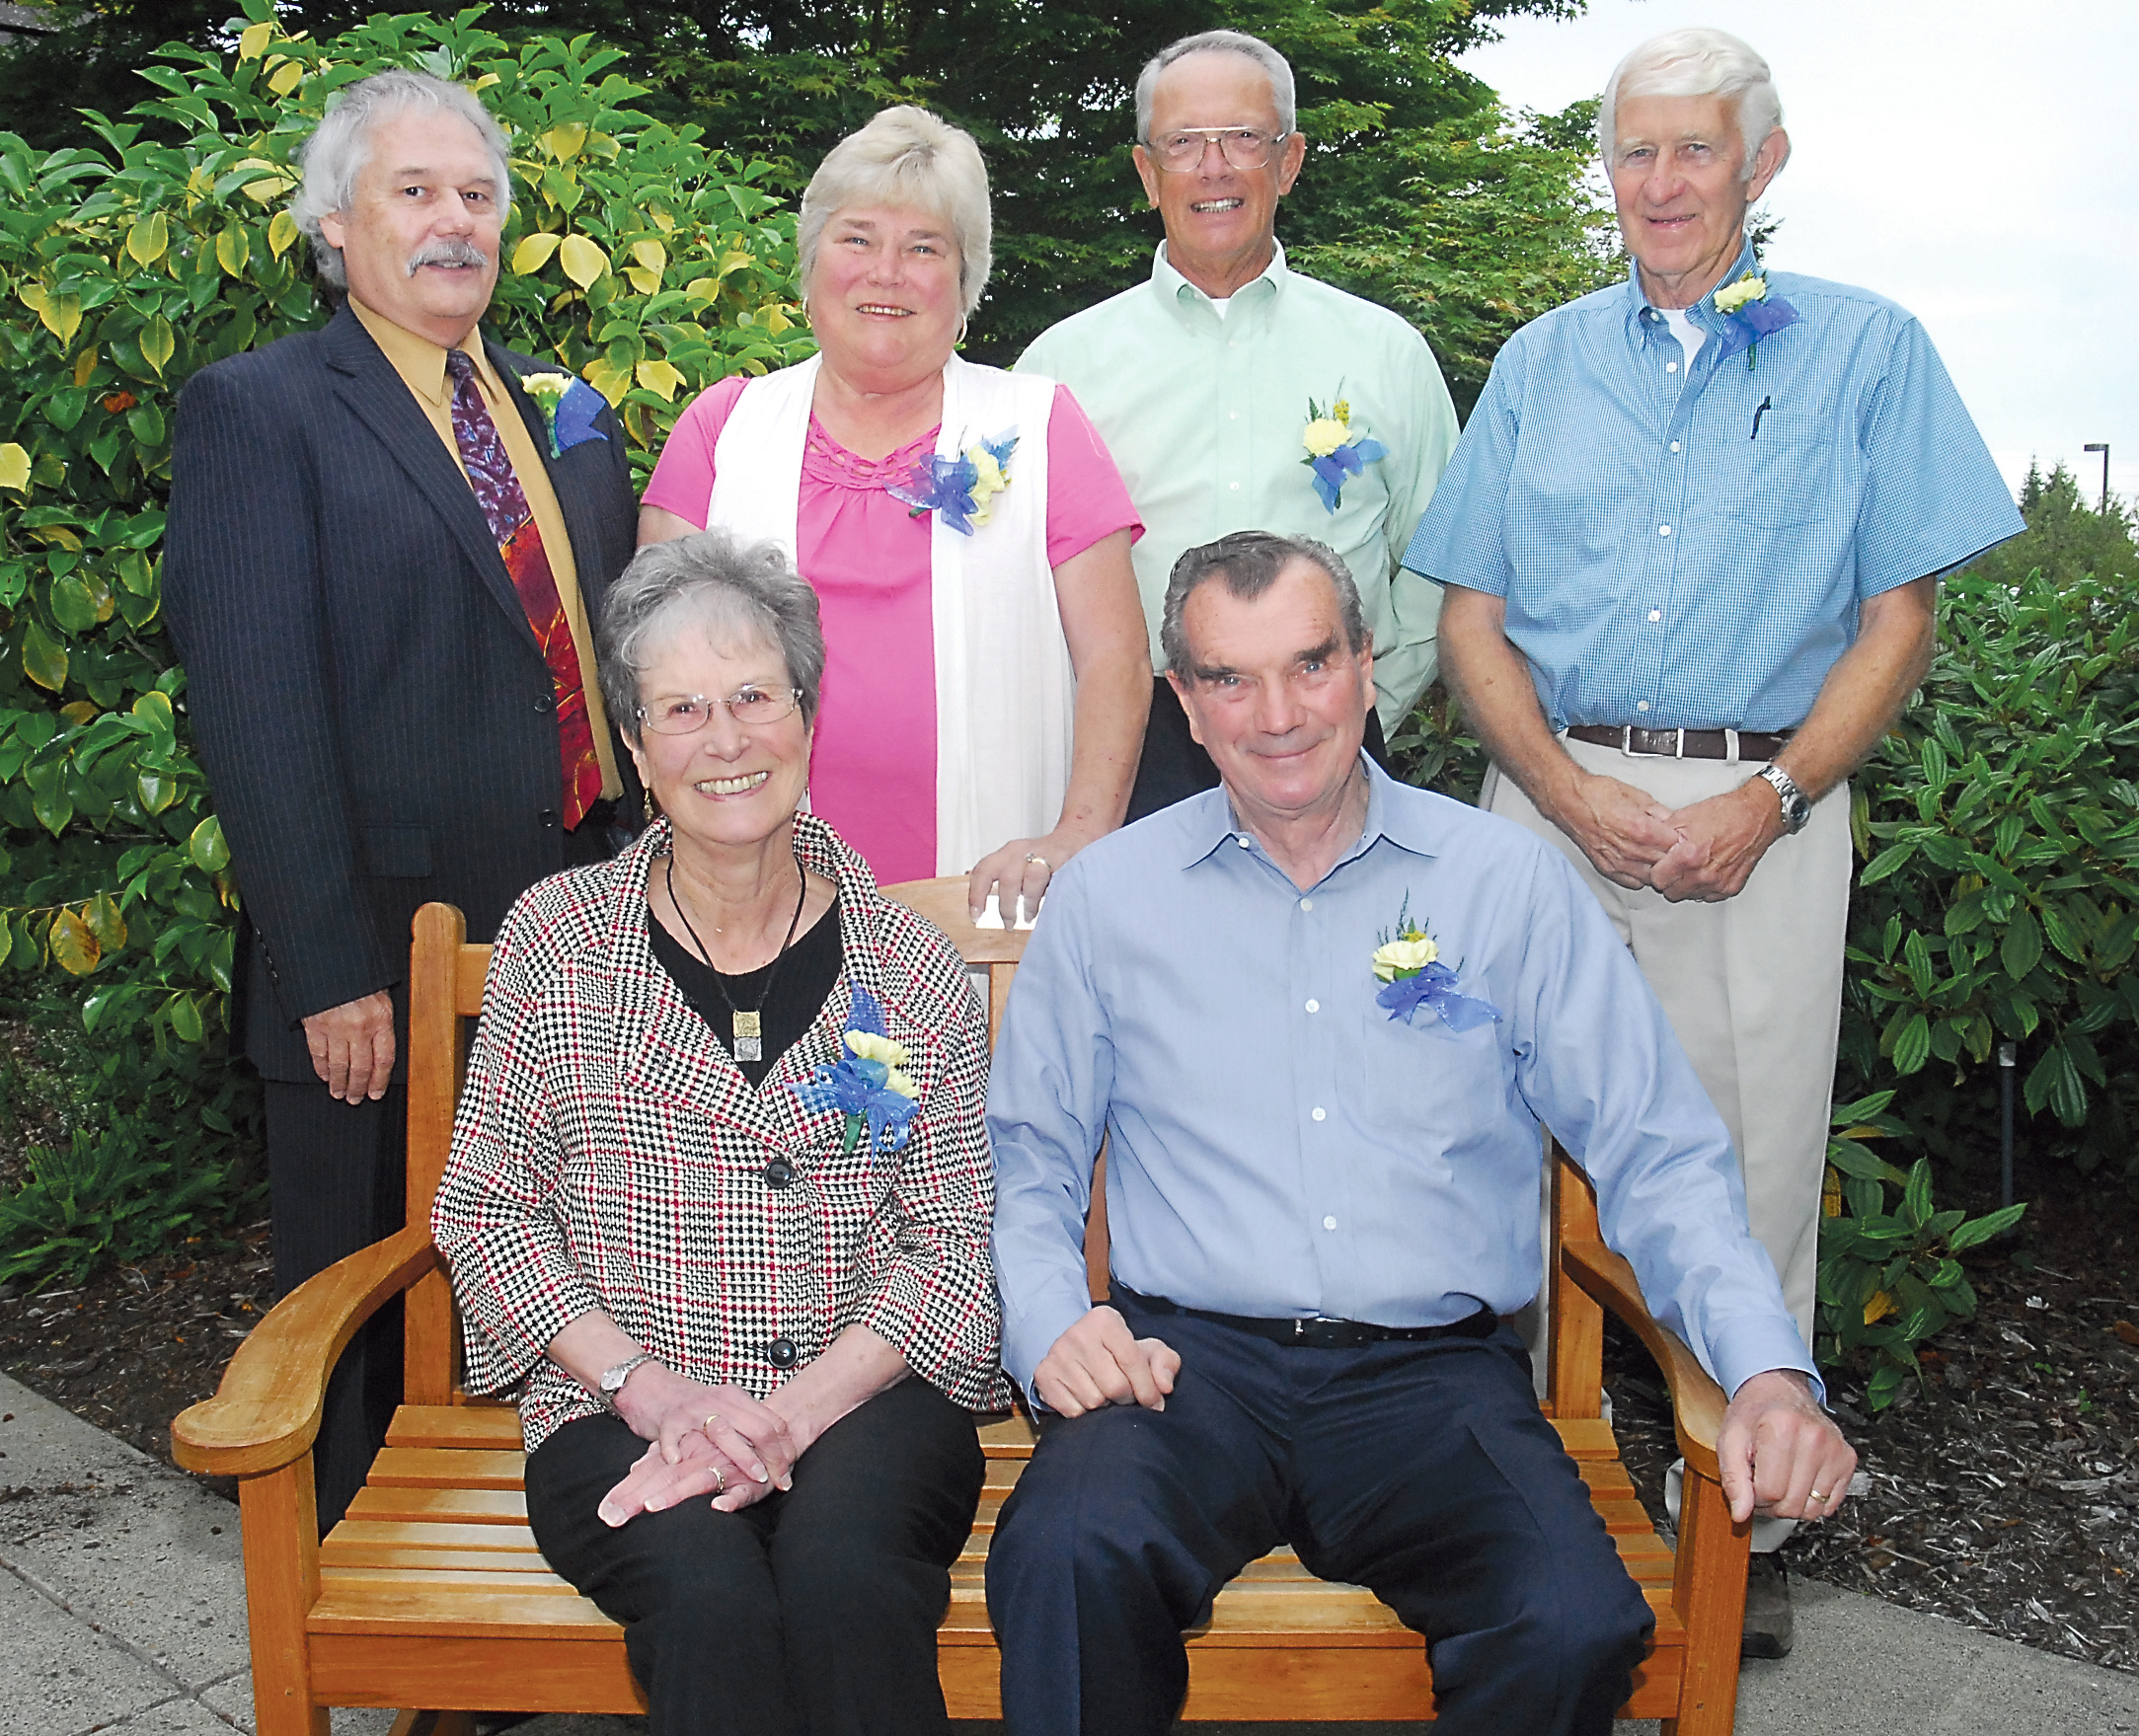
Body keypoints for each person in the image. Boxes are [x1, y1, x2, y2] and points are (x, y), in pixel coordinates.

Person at [983, 530, 1857, 1736]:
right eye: (1229, 678)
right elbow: (1029, 1157)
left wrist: (1763, 1370)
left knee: (1570, 1620)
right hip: (1185, 1370)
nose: (1277, 713)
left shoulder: (1504, 884)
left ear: (1367, 664)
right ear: (1182, 701)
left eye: (1308, 664)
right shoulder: (1108, 898)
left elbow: (1655, 1151)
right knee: (1067, 1556)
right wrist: (1049, 1324)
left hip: (1426, 1375)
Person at [1404, 28, 2022, 1653]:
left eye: (1695, 151)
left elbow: (1899, 616)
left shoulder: (1869, 353)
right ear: (1603, 173)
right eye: (1635, 153)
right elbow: (1470, 614)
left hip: (1762, 809)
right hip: (1544, 805)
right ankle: (1489, 1493)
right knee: (1490, 1150)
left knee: (1743, 1176)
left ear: (1763, 164)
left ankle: (1735, 1519)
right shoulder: (1539, 359)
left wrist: (1774, 796)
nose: (1661, 184)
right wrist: (1557, 784)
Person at [162, 70, 643, 1531]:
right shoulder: (260, 412)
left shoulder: (558, 412)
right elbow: (256, 706)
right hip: (376, 967)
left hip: (566, 941)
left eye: (478, 194)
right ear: (333, 224)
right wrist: (331, 970)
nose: (454, 223)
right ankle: (359, 1608)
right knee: (367, 1304)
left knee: (557, 1267)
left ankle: (542, 1563)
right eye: (413, 192)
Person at [431, 529, 1010, 1736]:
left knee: (849, 1581)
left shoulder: (905, 967)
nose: (726, 737)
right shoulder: (556, 939)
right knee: (705, 1597)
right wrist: (654, 1393)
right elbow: (481, 1213)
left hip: (865, 1397)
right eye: (681, 709)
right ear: (637, 749)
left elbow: (954, 1249)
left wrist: (782, 1418)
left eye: (754, 695)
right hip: (615, 1400)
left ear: (806, 715)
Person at [640, 106, 1148, 921]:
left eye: (923, 248)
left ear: (963, 281)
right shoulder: (720, 429)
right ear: (810, 264)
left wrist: (1076, 840)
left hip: (988, 907)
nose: (887, 271)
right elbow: (649, 676)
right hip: (747, 908)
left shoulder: (1044, 427)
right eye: (857, 238)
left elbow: (1116, 662)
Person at [1018, 30, 1458, 819]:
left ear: (1287, 161)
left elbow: (1438, 566)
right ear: (1146, 175)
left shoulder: (1385, 351)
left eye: (1243, 140)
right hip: (1133, 761)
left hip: (1330, 741)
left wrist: (1354, 709)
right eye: (1182, 143)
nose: (1212, 167)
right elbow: (1017, 592)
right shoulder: (1057, 370)